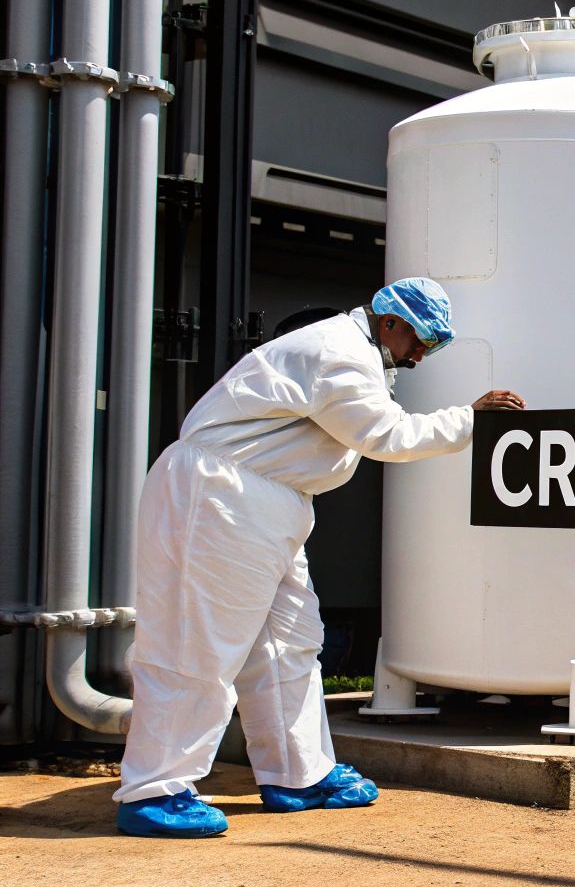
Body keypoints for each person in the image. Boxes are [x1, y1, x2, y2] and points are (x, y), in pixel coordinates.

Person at [113, 277, 526, 837]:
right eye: (421, 340)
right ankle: (154, 790)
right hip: (221, 496)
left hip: (261, 499)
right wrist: (470, 419)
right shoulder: (341, 354)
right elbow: (387, 436)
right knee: (198, 643)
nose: (422, 354)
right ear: (390, 323)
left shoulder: (356, 353)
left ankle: (298, 774)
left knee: (290, 641)